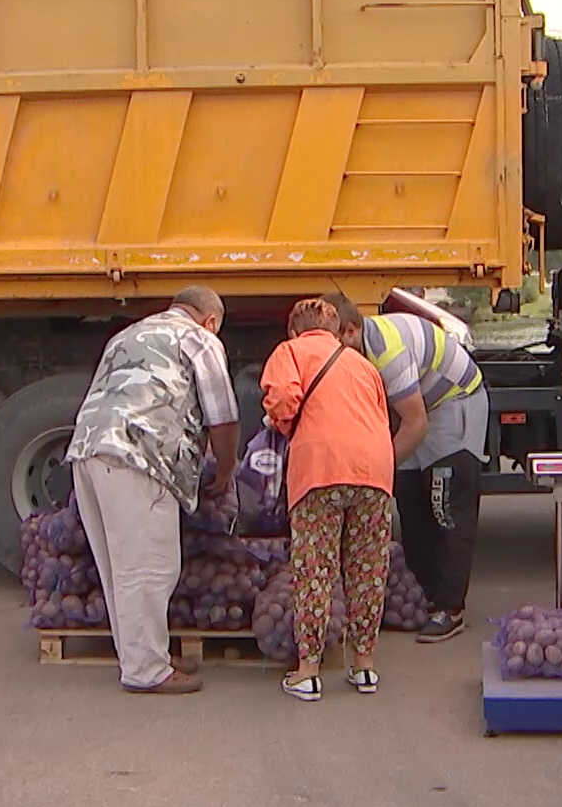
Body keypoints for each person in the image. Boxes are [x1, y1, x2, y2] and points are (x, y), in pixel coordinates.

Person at [65, 286, 240, 695]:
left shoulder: (127, 334)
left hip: (88, 449)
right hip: (139, 455)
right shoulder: (199, 338)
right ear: (210, 319)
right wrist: (226, 469)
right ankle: (147, 671)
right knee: (149, 567)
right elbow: (224, 416)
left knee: (118, 566)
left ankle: (143, 656)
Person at [320, 291, 487, 643]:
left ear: (350, 332)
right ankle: (424, 595)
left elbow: (416, 424)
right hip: (413, 408)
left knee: (446, 505)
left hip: (452, 402)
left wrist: (376, 472)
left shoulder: (387, 352)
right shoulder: (352, 350)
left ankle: (450, 607)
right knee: (409, 500)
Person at [260, 298, 395, 701]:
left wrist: (282, 422)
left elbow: (283, 396)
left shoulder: (291, 352)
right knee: (368, 569)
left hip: (319, 470)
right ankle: (365, 666)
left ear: (293, 330)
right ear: (339, 332)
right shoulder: (363, 365)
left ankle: (309, 672)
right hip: (373, 471)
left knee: (315, 571)